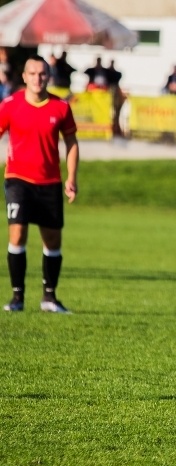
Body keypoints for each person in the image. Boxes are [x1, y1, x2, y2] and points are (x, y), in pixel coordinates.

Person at [0, 55, 79, 313]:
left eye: (42, 73)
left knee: (52, 241)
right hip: (17, 179)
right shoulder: (10, 105)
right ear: (24, 77)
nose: (38, 78)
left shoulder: (60, 107)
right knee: (17, 233)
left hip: (50, 181)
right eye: (32, 73)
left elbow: (71, 142)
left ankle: (49, 298)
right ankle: (17, 297)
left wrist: (72, 177)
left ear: (49, 76)